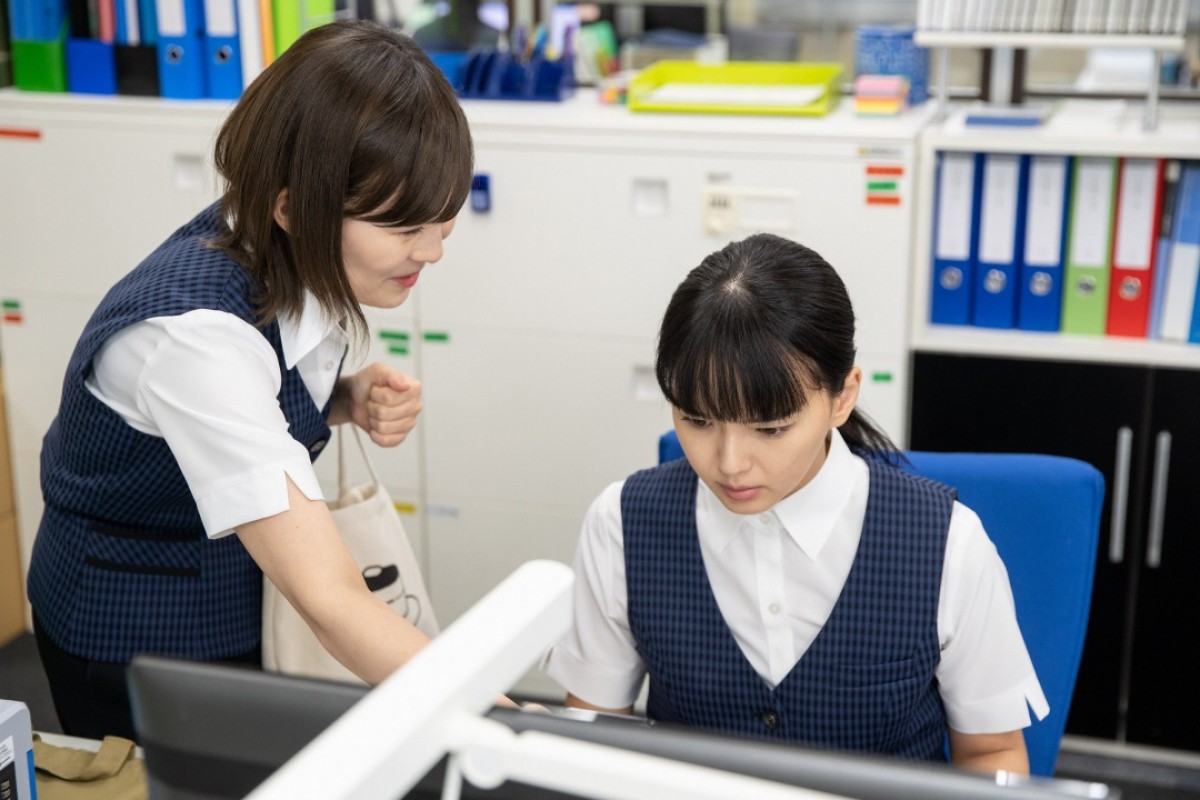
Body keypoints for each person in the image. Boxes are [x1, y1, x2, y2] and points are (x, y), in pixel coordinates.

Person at [26, 20, 474, 741]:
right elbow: (331, 600)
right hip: (133, 629)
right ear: (293, 206)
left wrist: (341, 399)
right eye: (404, 226)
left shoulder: (286, 239)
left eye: (444, 219)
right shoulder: (194, 338)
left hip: (235, 589)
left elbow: (255, 398)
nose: (431, 249)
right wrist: (502, 723)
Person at [547, 233, 1049, 774]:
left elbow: (991, 753)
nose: (730, 462)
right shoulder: (623, 524)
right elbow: (597, 737)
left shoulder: (947, 542)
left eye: (770, 428)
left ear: (843, 397)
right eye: (697, 420)